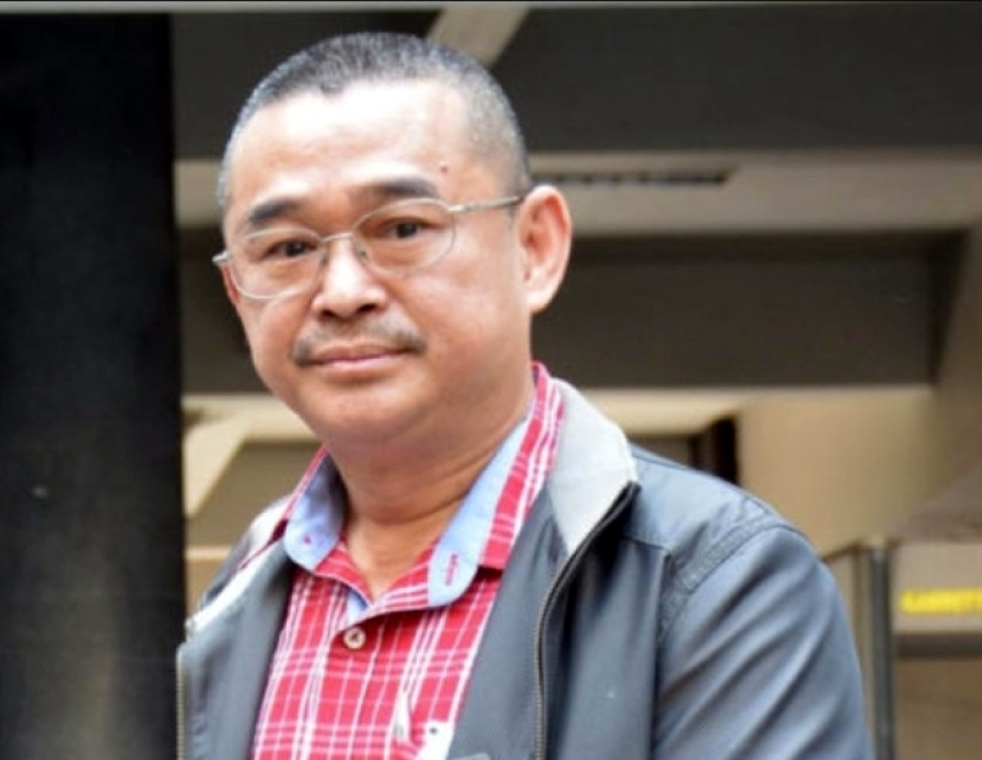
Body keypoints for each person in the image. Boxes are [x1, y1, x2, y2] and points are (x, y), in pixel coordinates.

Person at [178, 31, 871, 760]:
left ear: (535, 247)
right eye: (287, 248)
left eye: (404, 228)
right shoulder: (242, 595)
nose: (343, 292)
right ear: (236, 291)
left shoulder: (717, 580)